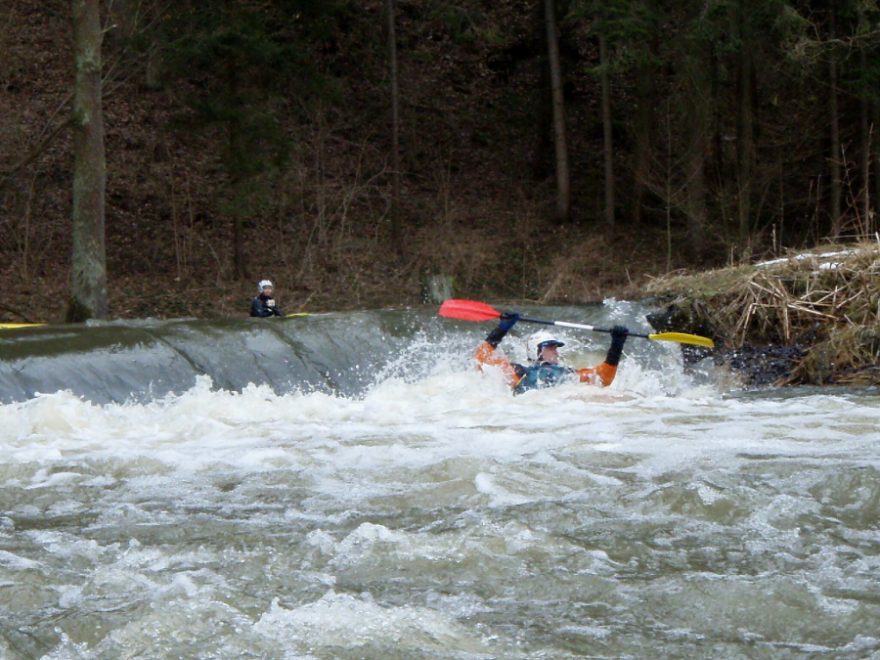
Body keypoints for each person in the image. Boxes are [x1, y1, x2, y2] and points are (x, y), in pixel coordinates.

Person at [474, 313, 629, 394]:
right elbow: (482, 359)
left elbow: (603, 378)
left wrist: (617, 344)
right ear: (536, 351)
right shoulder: (519, 372)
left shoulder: (568, 374)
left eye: (555, 348)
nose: (555, 352)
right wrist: (503, 328)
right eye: (550, 347)